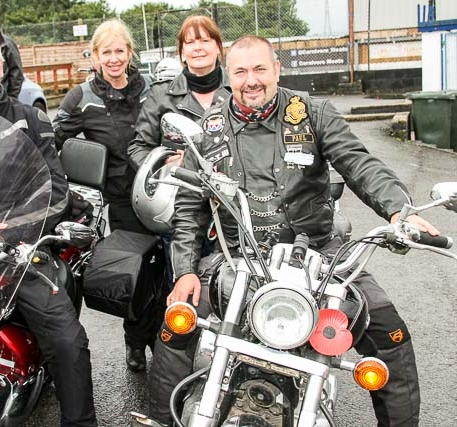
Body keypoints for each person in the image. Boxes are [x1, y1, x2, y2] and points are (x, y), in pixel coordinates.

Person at [145, 35, 441, 427]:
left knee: (390, 335)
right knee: (176, 323)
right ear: (228, 76)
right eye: (241, 71)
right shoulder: (209, 128)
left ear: (277, 69)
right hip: (238, 257)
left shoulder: (313, 112)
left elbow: (358, 163)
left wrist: (398, 211)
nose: (251, 80)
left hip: (320, 253)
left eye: (259, 69)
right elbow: (189, 210)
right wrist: (184, 269)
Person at [0, 31, 96, 426]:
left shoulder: (30, 119)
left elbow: (57, 193)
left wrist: (5, 232)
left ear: (3, 68)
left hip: (17, 248)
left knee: (68, 340)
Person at [52, 19, 156, 372]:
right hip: (122, 200)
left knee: (172, 271)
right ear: (95, 56)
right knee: (136, 273)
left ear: (129, 53)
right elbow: (54, 142)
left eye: (119, 51)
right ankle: (136, 343)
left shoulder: (153, 89)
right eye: (106, 52)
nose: (113, 58)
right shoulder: (82, 96)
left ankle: (170, 343)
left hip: (164, 193)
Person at [128, 15, 230, 289]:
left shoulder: (238, 90)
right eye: (190, 41)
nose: (197, 47)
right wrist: (164, 166)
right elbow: (138, 146)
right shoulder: (161, 94)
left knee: (231, 288)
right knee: (184, 289)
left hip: (232, 208)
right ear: (182, 52)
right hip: (180, 209)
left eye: (205, 40)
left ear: (218, 46)